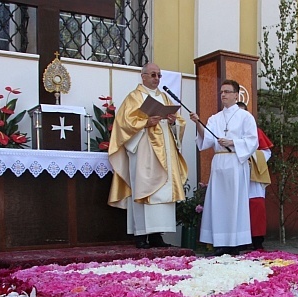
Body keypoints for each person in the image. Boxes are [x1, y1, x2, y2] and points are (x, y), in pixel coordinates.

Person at [107, 62, 188, 249]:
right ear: (143, 76)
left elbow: (180, 121)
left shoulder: (165, 97)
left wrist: (174, 121)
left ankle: (157, 234)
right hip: (144, 149)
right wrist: (145, 122)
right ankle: (142, 234)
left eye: (159, 75)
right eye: (153, 75)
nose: (157, 79)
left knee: (163, 191)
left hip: (165, 150)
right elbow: (123, 123)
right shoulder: (134, 97)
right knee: (144, 188)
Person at [189, 80, 258, 255]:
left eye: (227, 92)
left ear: (236, 95)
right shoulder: (215, 118)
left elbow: (252, 141)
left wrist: (232, 142)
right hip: (219, 162)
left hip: (235, 162)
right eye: (221, 92)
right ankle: (220, 243)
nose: (224, 95)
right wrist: (198, 123)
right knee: (218, 203)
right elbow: (207, 140)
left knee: (234, 203)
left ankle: (235, 242)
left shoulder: (245, 117)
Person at [237, 101, 272, 250]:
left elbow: (266, 152)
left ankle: (257, 241)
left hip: (253, 176)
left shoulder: (255, 131)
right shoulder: (226, 131)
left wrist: (251, 158)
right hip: (235, 175)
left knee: (256, 207)